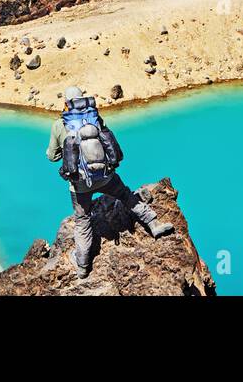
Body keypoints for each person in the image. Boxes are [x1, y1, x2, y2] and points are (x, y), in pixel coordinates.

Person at [46, 85, 173, 278]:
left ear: (66, 103)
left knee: (82, 220)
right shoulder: (94, 117)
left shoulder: (59, 125)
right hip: (106, 176)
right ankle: (154, 224)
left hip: (80, 184)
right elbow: (107, 141)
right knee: (126, 196)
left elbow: (52, 156)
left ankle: (82, 265)